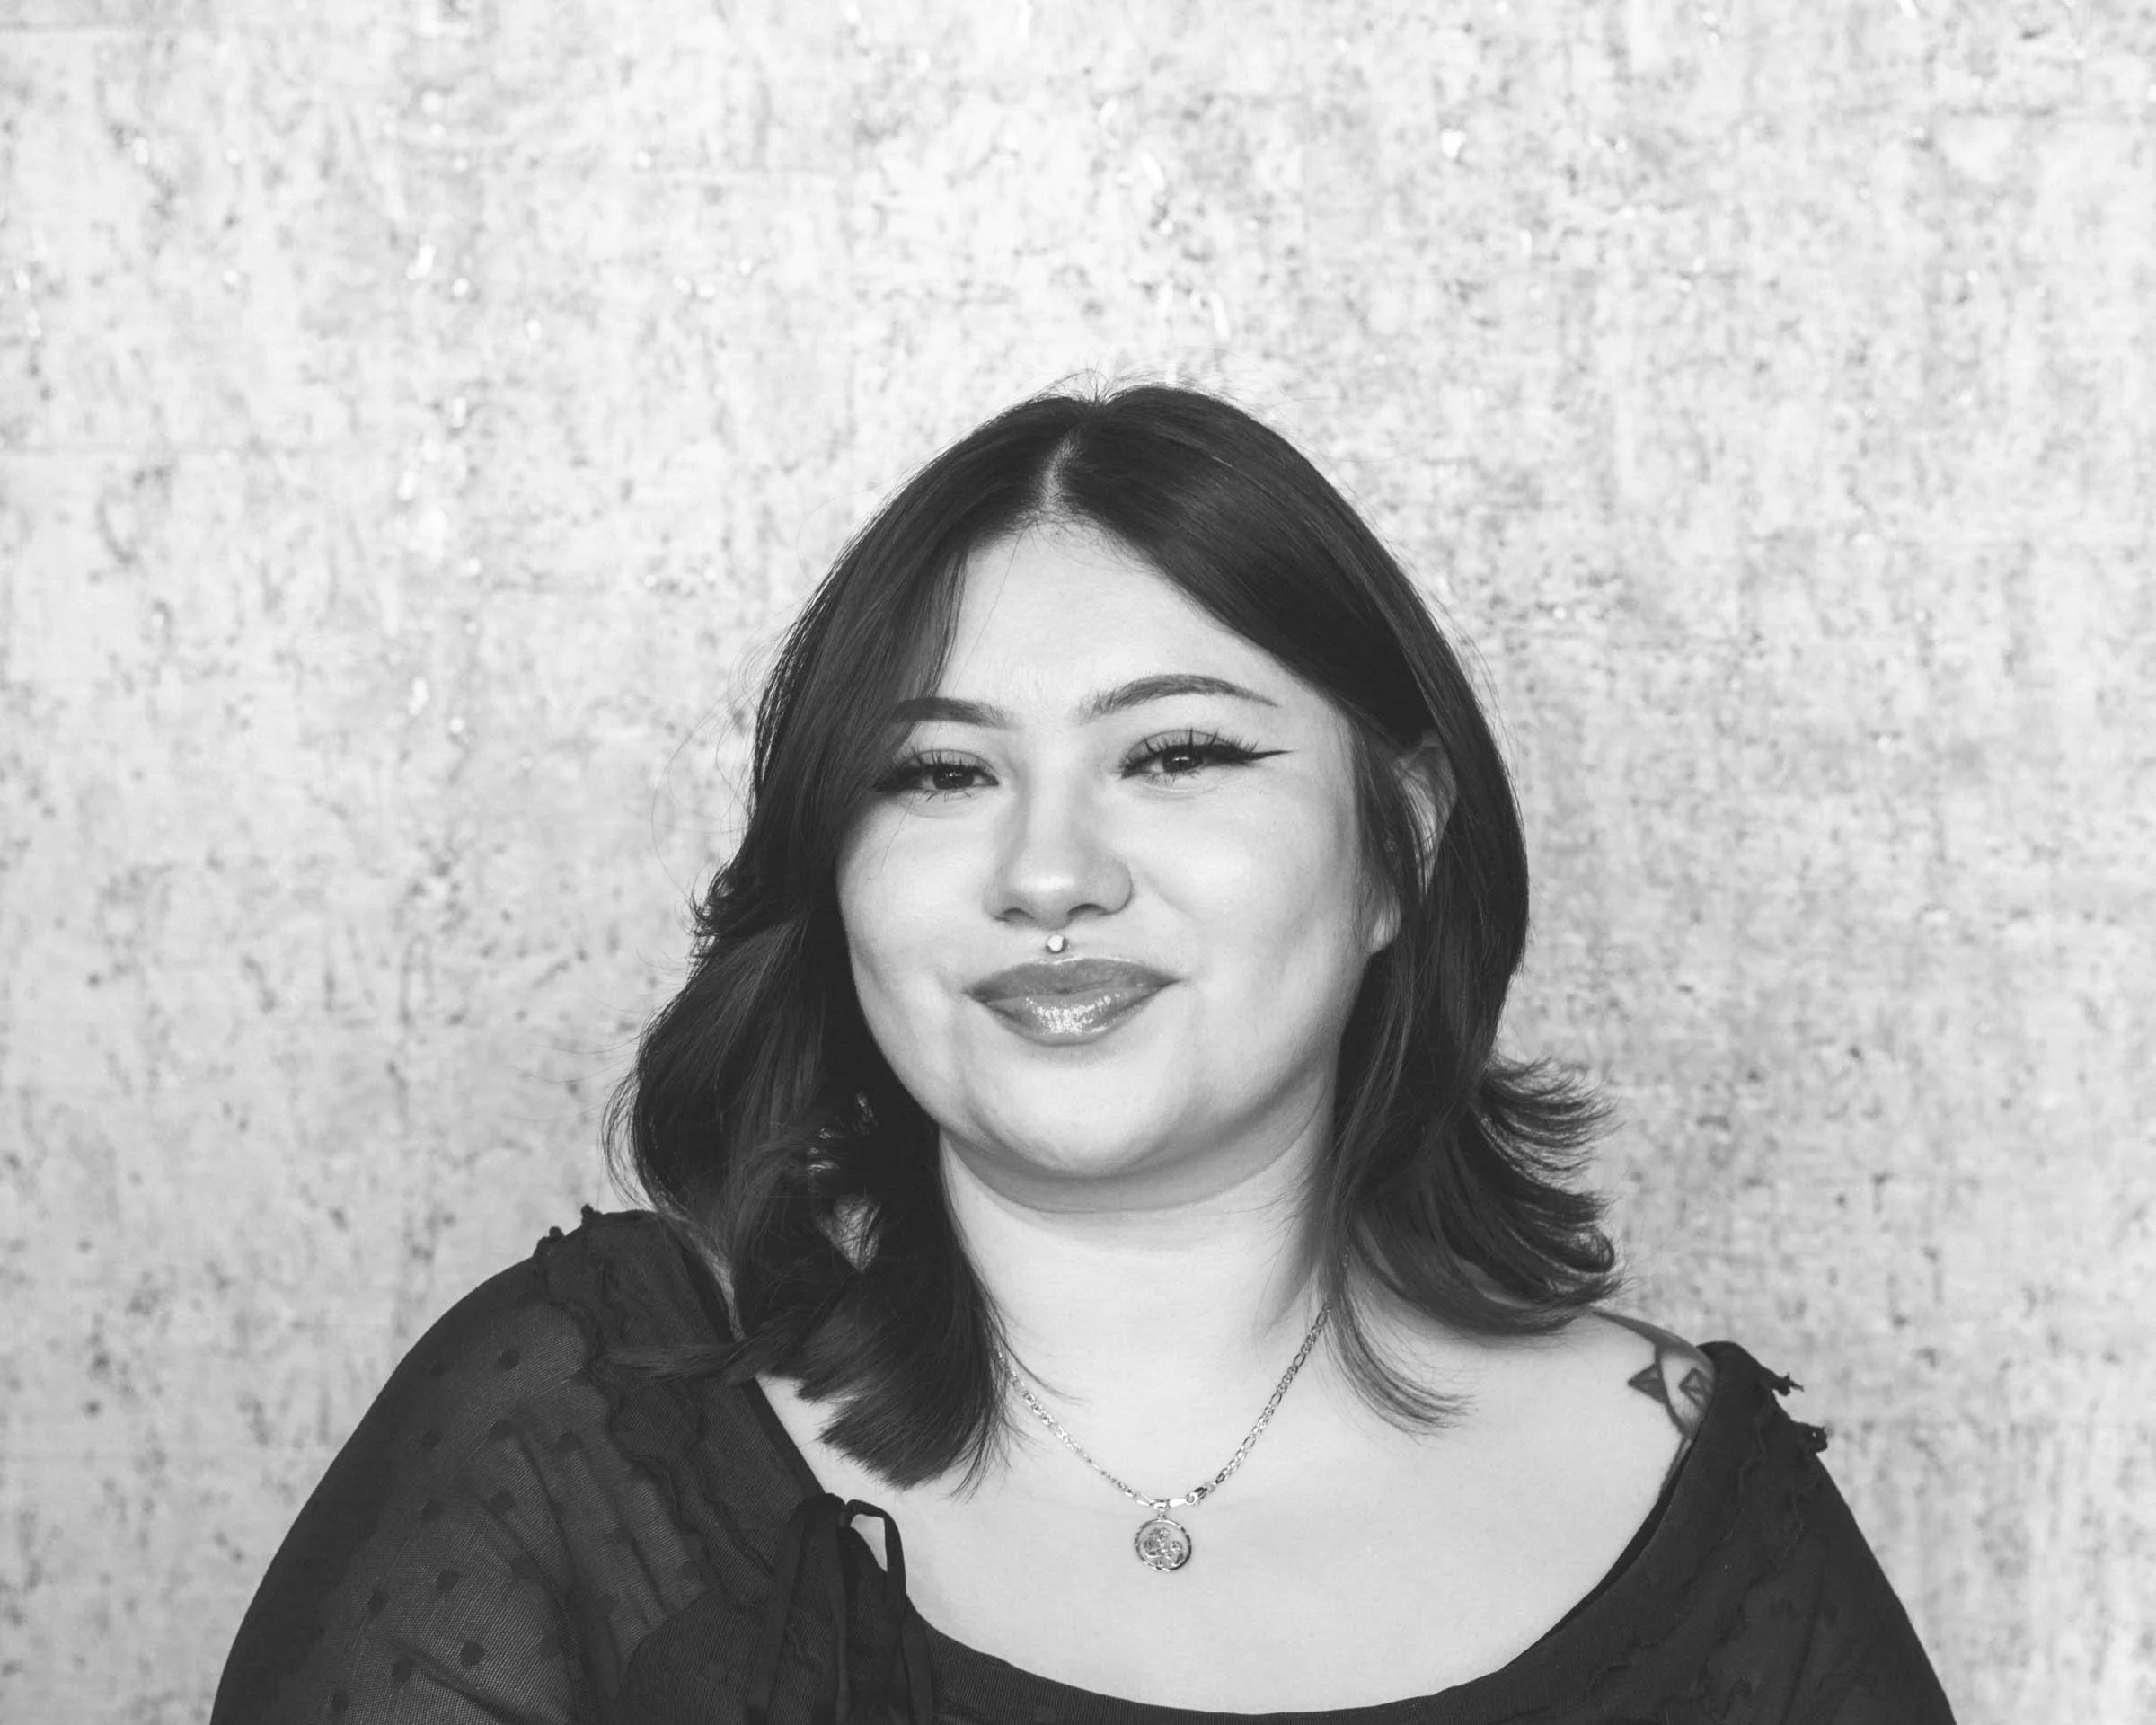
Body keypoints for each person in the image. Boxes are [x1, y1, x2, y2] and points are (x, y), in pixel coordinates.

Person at [211, 384, 1957, 1723]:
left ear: (1398, 848)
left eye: (1179, 755)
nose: (1049, 871)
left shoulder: (1699, 1501)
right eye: (941, 773)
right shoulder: (583, 1445)